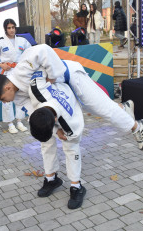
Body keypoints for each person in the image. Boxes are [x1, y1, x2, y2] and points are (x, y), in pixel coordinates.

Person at [0, 44, 143, 152]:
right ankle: (124, 109)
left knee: (102, 108)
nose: (5, 102)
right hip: (61, 91)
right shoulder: (17, 97)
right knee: (96, 107)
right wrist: (55, 129)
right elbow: (37, 113)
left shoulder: (22, 68)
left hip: (70, 76)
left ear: (7, 87)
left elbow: (44, 49)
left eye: (3, 98)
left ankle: (138, 127)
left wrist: (52, 75)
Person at [28, 73, 86, 209]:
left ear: (54, 121)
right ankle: (51, 179)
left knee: (71, 148)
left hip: (68, 109)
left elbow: (73, 136)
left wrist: (59, 132)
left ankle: (77, 186)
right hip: (52, 104)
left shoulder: (72, 126)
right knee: (46, 144)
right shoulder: (35, 88)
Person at [0, 19, 32, 133]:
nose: (11, 30)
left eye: (13, 27)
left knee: (21, 95)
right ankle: (10, 123)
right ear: (5, 29)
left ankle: (19, 120)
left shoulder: (22, 40)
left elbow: (31, 52)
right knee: (7, 97)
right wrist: (0, 64)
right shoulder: (0, 42)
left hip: (20, 71)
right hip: (7, 73)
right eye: (9, 28)